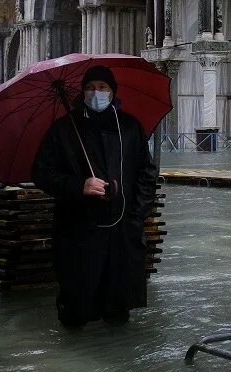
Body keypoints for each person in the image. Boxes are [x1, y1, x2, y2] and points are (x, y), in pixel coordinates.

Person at [32, 65, 159, 329]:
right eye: (90, 88)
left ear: (113, 92)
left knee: (118, 308)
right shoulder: (64, 129)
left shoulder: (130, 127)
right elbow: (41, 173)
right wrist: (80, 185)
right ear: (82, 91)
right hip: (79, 231)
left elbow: (146, 173)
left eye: (103, 88)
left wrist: (136, 214)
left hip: (122, 231)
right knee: (77, 308)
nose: (96, 93)